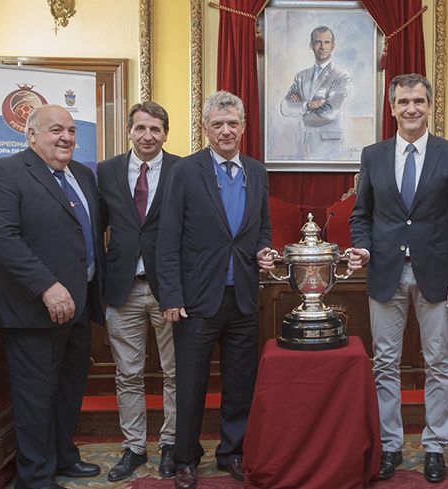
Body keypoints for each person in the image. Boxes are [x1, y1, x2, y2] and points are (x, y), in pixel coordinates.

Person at [348, 73, 448, 484]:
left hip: (437, 274)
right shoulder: (373, 154)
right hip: (385, 273)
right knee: (384, 363)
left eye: (418, 101)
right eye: (403, 102)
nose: (411, 109)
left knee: (438, 363)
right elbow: (360, 215)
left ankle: (435, 445)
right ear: (392, 107)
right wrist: (364, 248)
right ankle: (390, 445)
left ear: (429, 105)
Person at [0, 105, 104, 489]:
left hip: (79, 305)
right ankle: (35, 477)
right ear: (31, 135)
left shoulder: (82, 175)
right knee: (35, 398)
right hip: (34, 308)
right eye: (55, 130)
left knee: (69, 389)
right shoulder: (5, 172)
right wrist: (47, 285)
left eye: (70, 130)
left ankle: (62, 456)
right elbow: (1, 237)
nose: (66, 137)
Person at [156, 90, 274, 489]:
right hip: (194, 300)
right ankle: (186, 458)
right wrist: (170, 296)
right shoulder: (185, 172)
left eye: (233, 123)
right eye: (218, 124)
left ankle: (233, 452)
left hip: (242, 297)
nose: (226, 131)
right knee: (190, 383)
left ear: (243, 127)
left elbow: (263, 228)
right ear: (205, 128)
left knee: (241, 381)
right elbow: (167, 239)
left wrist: (263, 251)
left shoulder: (257, 171)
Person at [97, 101, 180, 481]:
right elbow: (95, 228)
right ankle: (133, 447)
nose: (148, 136)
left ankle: (170, 445)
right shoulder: (107, 171)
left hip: (169, 291)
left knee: (174, 372)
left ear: (166, 133)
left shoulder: (183, 169)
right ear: (129, 131)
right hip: (123, 288)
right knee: (127, 373)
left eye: (156, 129)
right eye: (141, 128)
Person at [280, 25, 352, 160]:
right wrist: (307, 106)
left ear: (333, 46)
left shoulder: (341, 76)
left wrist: (301, 112)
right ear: (311, 45)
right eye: (318, 42)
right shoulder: (300, 76)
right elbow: (285, 107)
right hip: (301, 145)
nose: (322, 47)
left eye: (327, 42)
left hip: (330, 148)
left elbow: (329, 112)